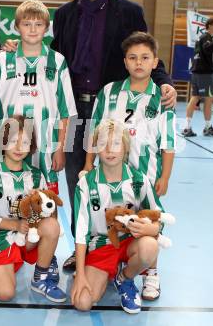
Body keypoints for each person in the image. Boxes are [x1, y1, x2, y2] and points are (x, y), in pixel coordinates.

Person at [44, 0, 177, 272]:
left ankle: (125, 244)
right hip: (74, 110)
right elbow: (53, 59)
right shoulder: (63, 15)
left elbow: (142, 50)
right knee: (80, 181)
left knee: (124, 178)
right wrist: (17, 50)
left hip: (112, 112)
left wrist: (163, 82)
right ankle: (83, 246)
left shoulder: (129, 12)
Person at [82, 32, 176, 299]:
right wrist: (89, 163)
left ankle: (151, 273)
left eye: (145, 58)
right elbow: (94, 131)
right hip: (109, 171)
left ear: (155, 62)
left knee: (148, 219)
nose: (139, 63)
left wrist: (165, 176)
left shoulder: (161, 98)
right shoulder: (109, 92)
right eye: (133, 58)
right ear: (125, 62)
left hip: (146, 174)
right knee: (109, 215)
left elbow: (168, 143)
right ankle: (108, 256)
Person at [0, 0, 76, 194]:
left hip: (46, 146)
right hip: (9, 144)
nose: (32, 29)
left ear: (47, 28)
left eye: (38, 24)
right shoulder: (1, 61)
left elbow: (66, 112)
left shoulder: (58, 62)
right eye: (26, 24)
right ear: (17, 27)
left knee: (48, 203)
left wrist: (61, 149)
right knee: (10, 200)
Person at [71, 119, 164, 314]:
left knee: (150, 246)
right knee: (83, 302)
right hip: (101, 246)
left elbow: (158, 215)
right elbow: (81, 233)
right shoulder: (86, 184)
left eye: (115, 144)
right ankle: (106, 273)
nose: (110, 150)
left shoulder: (139, 180)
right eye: (103, 144)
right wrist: (80, 274)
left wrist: (152, 229)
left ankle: (124, 278)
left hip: (129, 242)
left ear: (125, 147)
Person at [0, 115, 66, 302]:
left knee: (52, 226)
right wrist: (15, 225)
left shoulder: (35, 175)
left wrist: (39, 206)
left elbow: (50, 210)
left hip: (29, 236)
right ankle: (9, 263)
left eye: (24, 142)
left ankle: (40, 277)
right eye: (13, 141)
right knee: (5, 294)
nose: (18, 148)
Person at [182, 18, 213, 137]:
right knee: (208, 100)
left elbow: (208, 51)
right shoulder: (206, 37)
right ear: (209, 26)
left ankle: (187, 127)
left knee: (195, 98)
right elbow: (208, 48)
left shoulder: (203, 38)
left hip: (197, 72)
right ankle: (208, 127)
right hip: (204, 73)